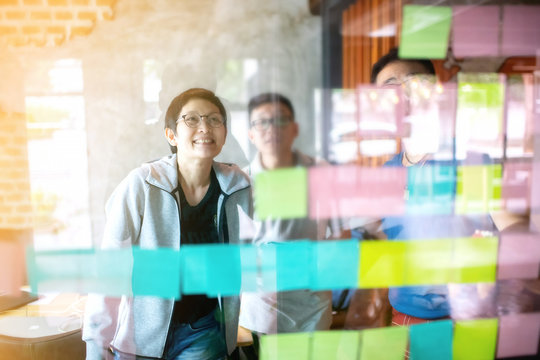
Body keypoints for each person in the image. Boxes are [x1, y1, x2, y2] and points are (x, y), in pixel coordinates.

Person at [83, 88, 252, 359]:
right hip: (142, 335)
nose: (204, 127)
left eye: (214, 119)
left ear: (224, 134)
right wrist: (96, 344)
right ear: (171, 134)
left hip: (204, 331)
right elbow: (110, 268)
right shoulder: (141, 185)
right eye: (192, 119)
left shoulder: (238, 188)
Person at [370, 48, 496, 328]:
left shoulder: (472, 161)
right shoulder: (387, 173)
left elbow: (505, 235)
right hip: (402, 318)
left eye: (416, 84)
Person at [238, 93, 339, 352]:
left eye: (281, 120)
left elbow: (339, 235)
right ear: (251, 133)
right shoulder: (239, 182)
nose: (272, 128)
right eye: (262, 122)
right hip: (261, 311)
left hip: (313, 309)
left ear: (294, 129)